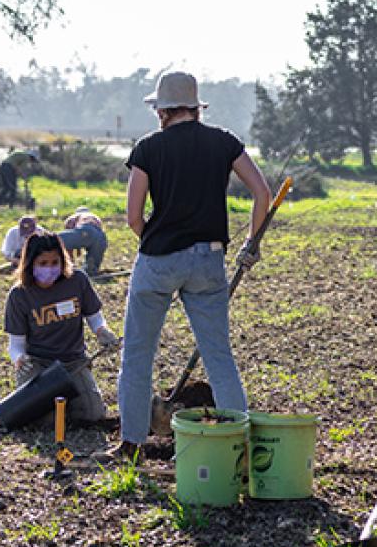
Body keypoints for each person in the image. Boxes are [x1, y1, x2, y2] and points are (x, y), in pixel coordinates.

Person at [100, 71, 271, 462]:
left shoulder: (148, 148)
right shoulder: (224, 142)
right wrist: (250, 243)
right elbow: (262, 192)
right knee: (218, 356)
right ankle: (238, 446)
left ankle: (130, 444)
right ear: (196, 108)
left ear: (162, 112)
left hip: (158, 259)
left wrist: (154, 241)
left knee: (138, 355)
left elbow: (133, 215)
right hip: (209, 258)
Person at [3, 230, 120, 423]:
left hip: (73, 361)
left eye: (54, 263)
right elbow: (15, 344)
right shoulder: (19, 295)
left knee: (93, 415)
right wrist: (19, 359)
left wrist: (102, 331)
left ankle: (73, 401)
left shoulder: (77, 281)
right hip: (39, 365)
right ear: (30, 264)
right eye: (42, 264)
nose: (49, 269)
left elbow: (94, 317)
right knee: (44, 421)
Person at [57, 206, 109, 274]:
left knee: (57, 239)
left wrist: (70, 261)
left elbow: (69, 243)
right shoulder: (95, 217)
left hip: (85, 231)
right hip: (101, 237)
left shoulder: (74, 217)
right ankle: (91, 269)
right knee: (92, 264)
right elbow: (92, 237)